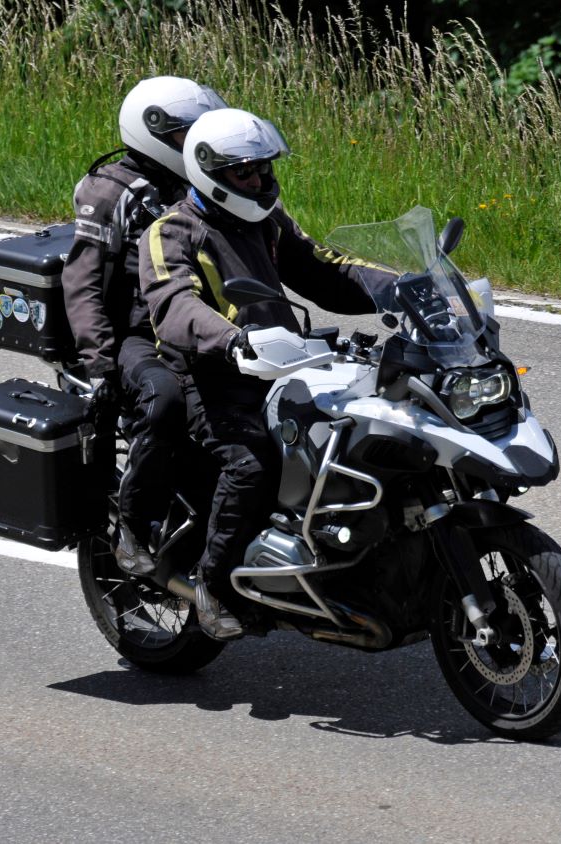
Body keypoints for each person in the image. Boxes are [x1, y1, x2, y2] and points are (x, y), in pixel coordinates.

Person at [139, 107, 392, 640]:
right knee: (252, 465)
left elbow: (324, 269)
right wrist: (232, 341)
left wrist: (403, 286)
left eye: (262, 168)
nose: (258, 180)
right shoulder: (172, 231)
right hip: (210, 379)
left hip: (285, 364)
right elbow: (173, 305)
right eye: (244, 172)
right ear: (209, 170)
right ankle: (212, 586)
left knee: (359, 435)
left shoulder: (267, 223)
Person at [61, 75, 227, 577]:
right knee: (165, 401)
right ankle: (133, 524)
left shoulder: (200, 183)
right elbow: (82, 281)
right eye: (185, 134)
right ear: (153, 131)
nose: (196, 143)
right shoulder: (110, 190)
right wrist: (101, 365)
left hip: (198, 319)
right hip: (136, 335)